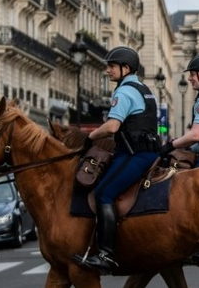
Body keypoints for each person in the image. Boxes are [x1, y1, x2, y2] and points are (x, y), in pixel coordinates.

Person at [76, 46, 160, 273]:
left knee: (104, 193)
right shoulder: (144, 89)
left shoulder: (123, 92)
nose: (107, 71)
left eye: (111, 66)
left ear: (126, 68)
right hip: (147, 151)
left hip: (135, 154)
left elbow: (113, 126)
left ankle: (106, 254)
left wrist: (89, 137)